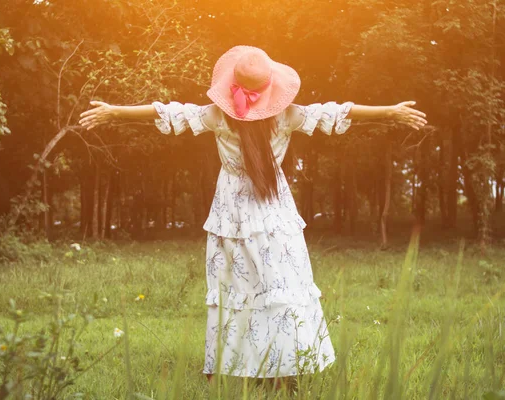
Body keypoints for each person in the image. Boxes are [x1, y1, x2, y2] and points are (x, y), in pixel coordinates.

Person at [79, 46, 427, 384]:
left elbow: (168, 111)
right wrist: (390, 111)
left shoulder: (218, 116)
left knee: (234, 286)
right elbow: (337, 111)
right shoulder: (287, 115)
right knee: (282, 284)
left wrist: (114, 111)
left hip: (230, 209)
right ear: (271, 86)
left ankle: (240, 364)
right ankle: (285, 369)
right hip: (272, 208)